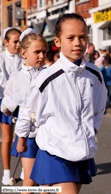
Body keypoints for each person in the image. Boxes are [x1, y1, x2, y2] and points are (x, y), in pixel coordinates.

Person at [16, 13, 107, 194]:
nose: (77, 43)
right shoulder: (47, 77)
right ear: (57, 41)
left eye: (82, 37)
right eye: (71, 37)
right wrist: (21, 137)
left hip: (82, 150)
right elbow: (29, 109)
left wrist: (92, 129)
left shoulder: (94, 73)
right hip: (55, 150)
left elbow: (99, 106)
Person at [1, 32, 49, 190]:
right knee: (30, 180)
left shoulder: (49, 74)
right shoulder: (16, 77)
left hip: (49, 134)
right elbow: (7, 103)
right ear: (24, 53)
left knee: (46, 182)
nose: (42, 56)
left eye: (44, 52)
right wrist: (8, 107)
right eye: (37, 52)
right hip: (28, 135)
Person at [0, 27, 23, 185]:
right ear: (5, 42)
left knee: (24, 136)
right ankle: (6, 173)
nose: (18, 44)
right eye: (15, 41)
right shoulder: (1, 59)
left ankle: (25, 168)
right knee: (8, 138)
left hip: (23, 102)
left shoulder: (23, 58)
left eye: (20, 41)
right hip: (5, 101)